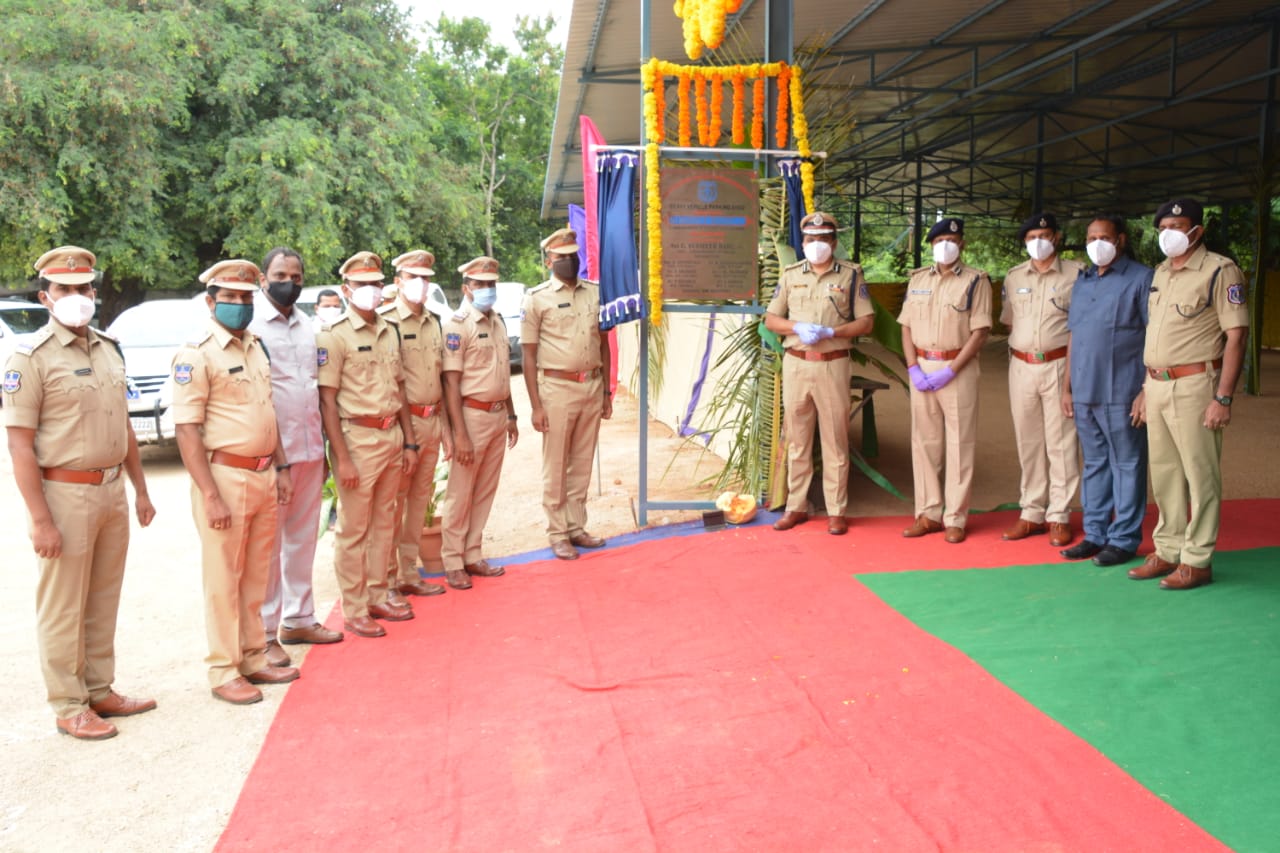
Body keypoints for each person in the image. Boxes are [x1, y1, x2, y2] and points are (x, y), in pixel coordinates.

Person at [3, 245, 156, 740]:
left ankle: (99, 688)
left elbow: (125, 427)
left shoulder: (109, 349)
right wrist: (40, 519)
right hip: (64, 495)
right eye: (64, 289)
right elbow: (20, 444)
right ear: (46, 296)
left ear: (95, 291)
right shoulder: (28, 359)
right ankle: (68, 703)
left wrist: (141, 489)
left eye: (83, 287)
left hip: (111, 489)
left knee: (102, 597)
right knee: (64, 603)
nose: (77, 296)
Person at [172, 259, 299, 705]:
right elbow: (186, 429)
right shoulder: (197, 353)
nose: (241, 306)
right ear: (211, 302)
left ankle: (252, 655)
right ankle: (223, 668)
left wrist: (281, 468)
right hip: (225, 477)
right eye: (231, 298)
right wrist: (209, 494)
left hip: (264, 473)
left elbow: (269, 413)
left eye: (246, 298)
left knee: (256, 574)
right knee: (223, 578)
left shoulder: (255, 346)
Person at [1128, 199, 1248, 590]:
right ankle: (1167, 549)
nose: (1169, 234)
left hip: (1196, 384)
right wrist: (1146, 389)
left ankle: (1197, 560)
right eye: (1163, 226)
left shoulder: (1219, 270)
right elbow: (1156, 336)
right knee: (1164, 472)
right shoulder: (1162, 271)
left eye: (1177, 225)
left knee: (1200, 474)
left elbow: (1236, 335)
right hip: (1157, 384)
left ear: (1197, 230)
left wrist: (1223, 397)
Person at [249, 247, 343, 668]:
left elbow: (314, 387)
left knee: (303, 538)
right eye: (280, 273)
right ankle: (265, 634)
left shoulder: (308, 325)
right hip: (272, 455)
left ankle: (299, 618)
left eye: (296, 274)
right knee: (268, 546)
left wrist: (324, 448)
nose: (290, 280)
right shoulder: (250, 327)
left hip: (308, 449)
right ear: (263, 280)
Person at [317, 251, 418, 637]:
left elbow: (401, 387)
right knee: (354, 529)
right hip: (357, 438)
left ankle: (378, 594)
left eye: (376, 284)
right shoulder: (334, 334)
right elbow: (327, 400)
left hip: (392, 435)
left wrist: (409, 442)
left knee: (384, 523)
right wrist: (340, 457)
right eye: (361, 285)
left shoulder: (389, 329)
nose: (370, 292)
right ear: (346, 289)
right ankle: (354, 606)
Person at [764, 212, 874, 535]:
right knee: (797, 439)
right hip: (796, 363)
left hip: (833, 363)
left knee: (835, 440)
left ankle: (836, 510)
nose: (816, 245)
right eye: (810, 240)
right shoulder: (790, 274)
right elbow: (772, 319)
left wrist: (831, 331)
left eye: (823, 239)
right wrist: (796, 326)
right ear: (803, 242)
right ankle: (796, 506)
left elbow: (866, 322)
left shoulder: (851, 274)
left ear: (834, 242)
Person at [1062, 215, 1153, 566]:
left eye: (1104, 237)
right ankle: (1095, 533)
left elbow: (1153, 337)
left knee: (1127, 462)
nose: (1097, 243)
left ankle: (1124, 538)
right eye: (1091, 237)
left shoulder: (1142, 279)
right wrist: (1066, 387)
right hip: (1085, 388)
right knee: (1095, 463)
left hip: (1123, 389)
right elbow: (1074, 336)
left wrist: (1146, 388)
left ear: (1121, 240)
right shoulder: (1083, 281)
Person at [521, 228, 614, 559]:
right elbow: (528, 356)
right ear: (548, 261)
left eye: (573, 256)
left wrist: (606, 391)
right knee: (556, 462)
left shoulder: (594, 293)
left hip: (590, 385)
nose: (569, 262)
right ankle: (557, 531)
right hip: (556, 389)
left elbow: (603, 343)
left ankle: (576, 527)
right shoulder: (537, 298)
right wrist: (535, 405)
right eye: (562, 258)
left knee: (581, 461)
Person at [899, 218, 992, 543]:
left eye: (953, 239)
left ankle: (955, 517)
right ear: (932, 245)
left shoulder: (976, 280)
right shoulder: (919, 279)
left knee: (959, 443)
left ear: (962, 244)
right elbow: (906, 325)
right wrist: (912, 367)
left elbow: (980, 331)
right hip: (922, 366)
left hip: (958, 368)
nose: (946, 245)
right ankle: (928, 514)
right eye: (940, 240)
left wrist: (952, 369)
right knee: (924, 443)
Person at [999, 213, 1082, 548]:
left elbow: (1080, 328)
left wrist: (1070, 381)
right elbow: (1009, 322)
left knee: (1061, 442)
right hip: (1021, 365)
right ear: (1024, 241)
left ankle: (1059, 515)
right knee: (1028, 441)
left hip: (1059, 363)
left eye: (1045, 234)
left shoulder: (1078, 274)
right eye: (1032, 235)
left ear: (1057, 237)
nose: (1039, 241)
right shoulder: (1013, 276)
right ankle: (1031, 512)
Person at [439, 256, 517, 589]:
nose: (487, 290)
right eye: (480, 284)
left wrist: (512, 414)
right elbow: (450, 384)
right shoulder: (458, 325)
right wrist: (459, 435)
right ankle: (453, 560)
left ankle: (473, 553)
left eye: (491, 284)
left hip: (498, 415)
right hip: (471, 417)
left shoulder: (497, 321)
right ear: (466, 288)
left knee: (485, 489)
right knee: (461, 491)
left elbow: (502, 373)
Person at [380, 250, 452, 595]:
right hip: (402, 427)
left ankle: (410, 573)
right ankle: (389, 578)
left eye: (425, 278)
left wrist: (448, 431)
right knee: (394, 504)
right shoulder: (386, 322)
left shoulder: (435, 321)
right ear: (398, 283)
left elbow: (442, 380)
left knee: (419, 502)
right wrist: (404, 436)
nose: (420, 285)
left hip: (432, 421)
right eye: (413, 278)